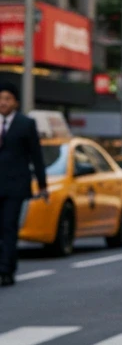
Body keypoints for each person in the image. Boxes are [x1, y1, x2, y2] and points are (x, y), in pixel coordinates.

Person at [0, 80, 48, 286]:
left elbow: (36, 157)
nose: (3, 103)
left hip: (15, 186)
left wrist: (43, 185)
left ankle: (6, 270)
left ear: (16, 103)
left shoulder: (26, 124)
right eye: (0, 99)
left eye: (7, 99)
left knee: (9, 227)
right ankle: (6, 264)